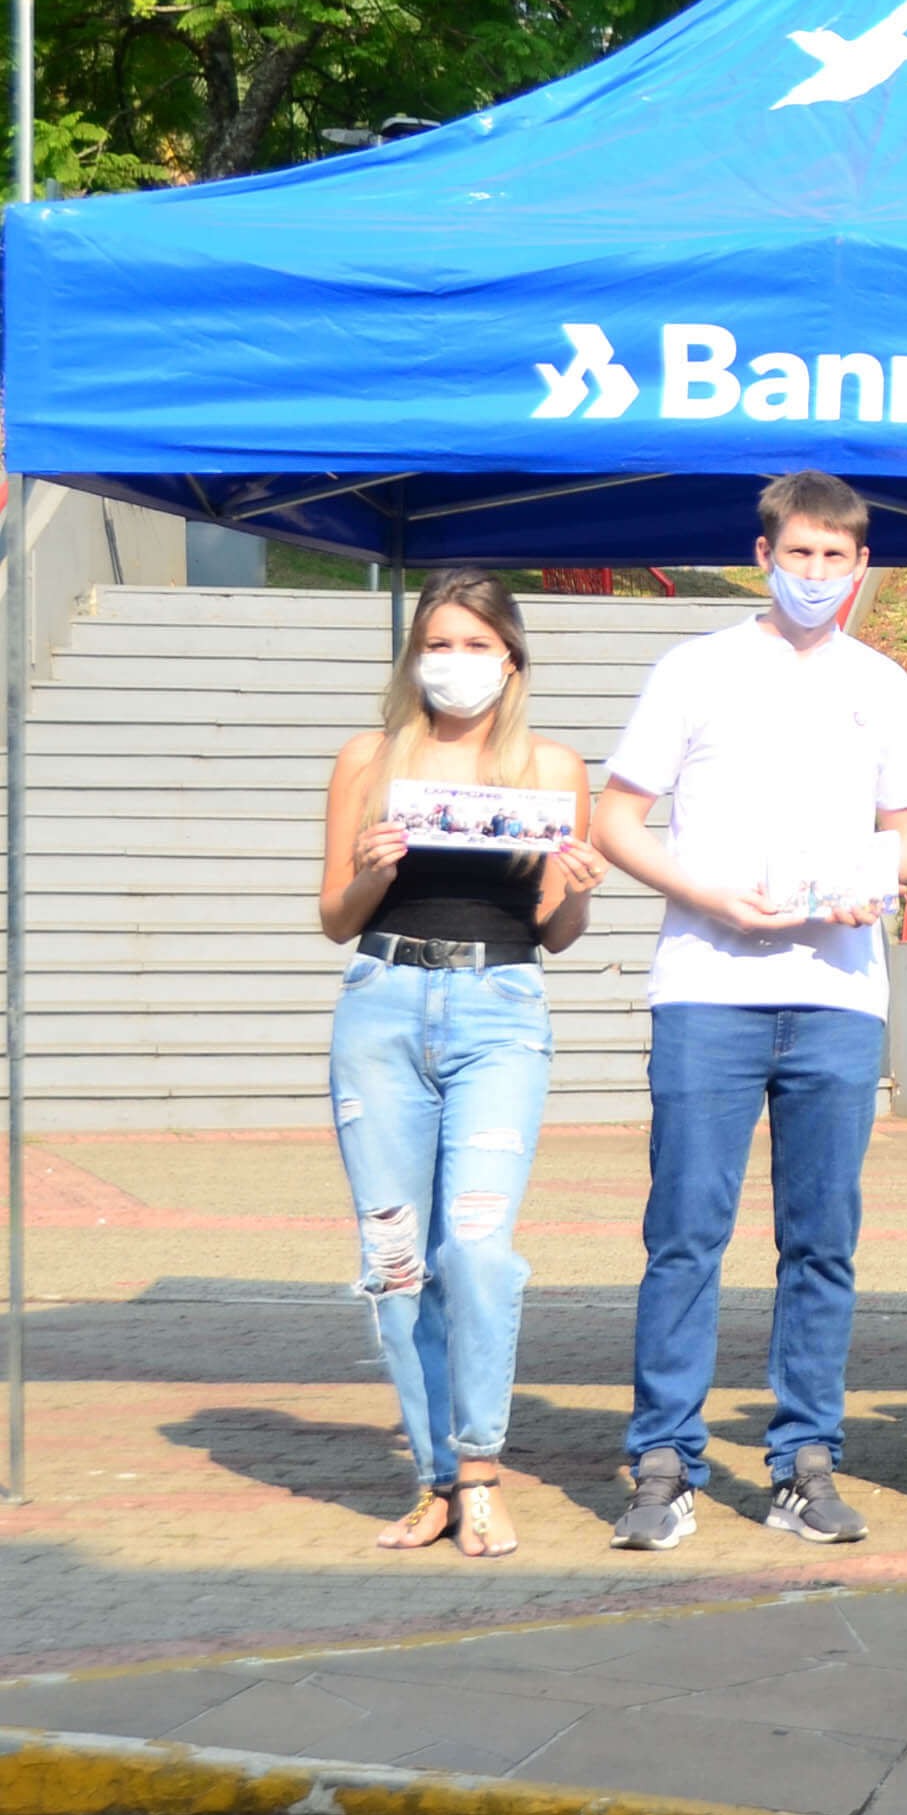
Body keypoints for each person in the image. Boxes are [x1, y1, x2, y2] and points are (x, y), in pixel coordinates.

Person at [597, 473, 907, 1551]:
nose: (817, 576)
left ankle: (804, 1459)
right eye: (801, 556)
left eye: (838, 560)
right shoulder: (695, 669)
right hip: (709, 988)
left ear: (862, 567)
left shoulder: (883, 684)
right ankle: (662, 1460)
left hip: (836, 993)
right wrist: (702, 891)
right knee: (686, 1234)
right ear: (764, 555)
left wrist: (874, 881)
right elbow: (616, 819)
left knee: (821, 1242)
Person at [315, 574, 607, 1559]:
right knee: (397, 1263)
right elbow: (331, 918)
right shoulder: (368, 757)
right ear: (413, 658)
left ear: (511, 661)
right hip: (383, 1008)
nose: (456, 662)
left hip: (499, 1008)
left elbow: (559, 933)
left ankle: (481, 1468)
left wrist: (573, 888)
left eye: (477, 645)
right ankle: (435, 1479)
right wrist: (375, 868)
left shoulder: (551, 765)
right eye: (439, 643)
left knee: (476, 1248)